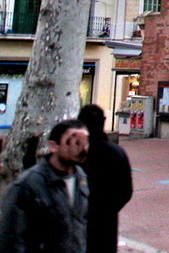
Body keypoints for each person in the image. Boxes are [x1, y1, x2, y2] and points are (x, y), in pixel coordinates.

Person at [0, 118, 91, 253]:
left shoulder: (81, 178)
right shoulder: (28, 183)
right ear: (54, 146)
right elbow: (10, 235)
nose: (80, 149)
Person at [76, 105, 133, 253]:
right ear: (104, 121)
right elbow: (126, 192)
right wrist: (108, 211)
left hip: (77, 225)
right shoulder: (116, 153)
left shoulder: (73, 153)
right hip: (105, 225)